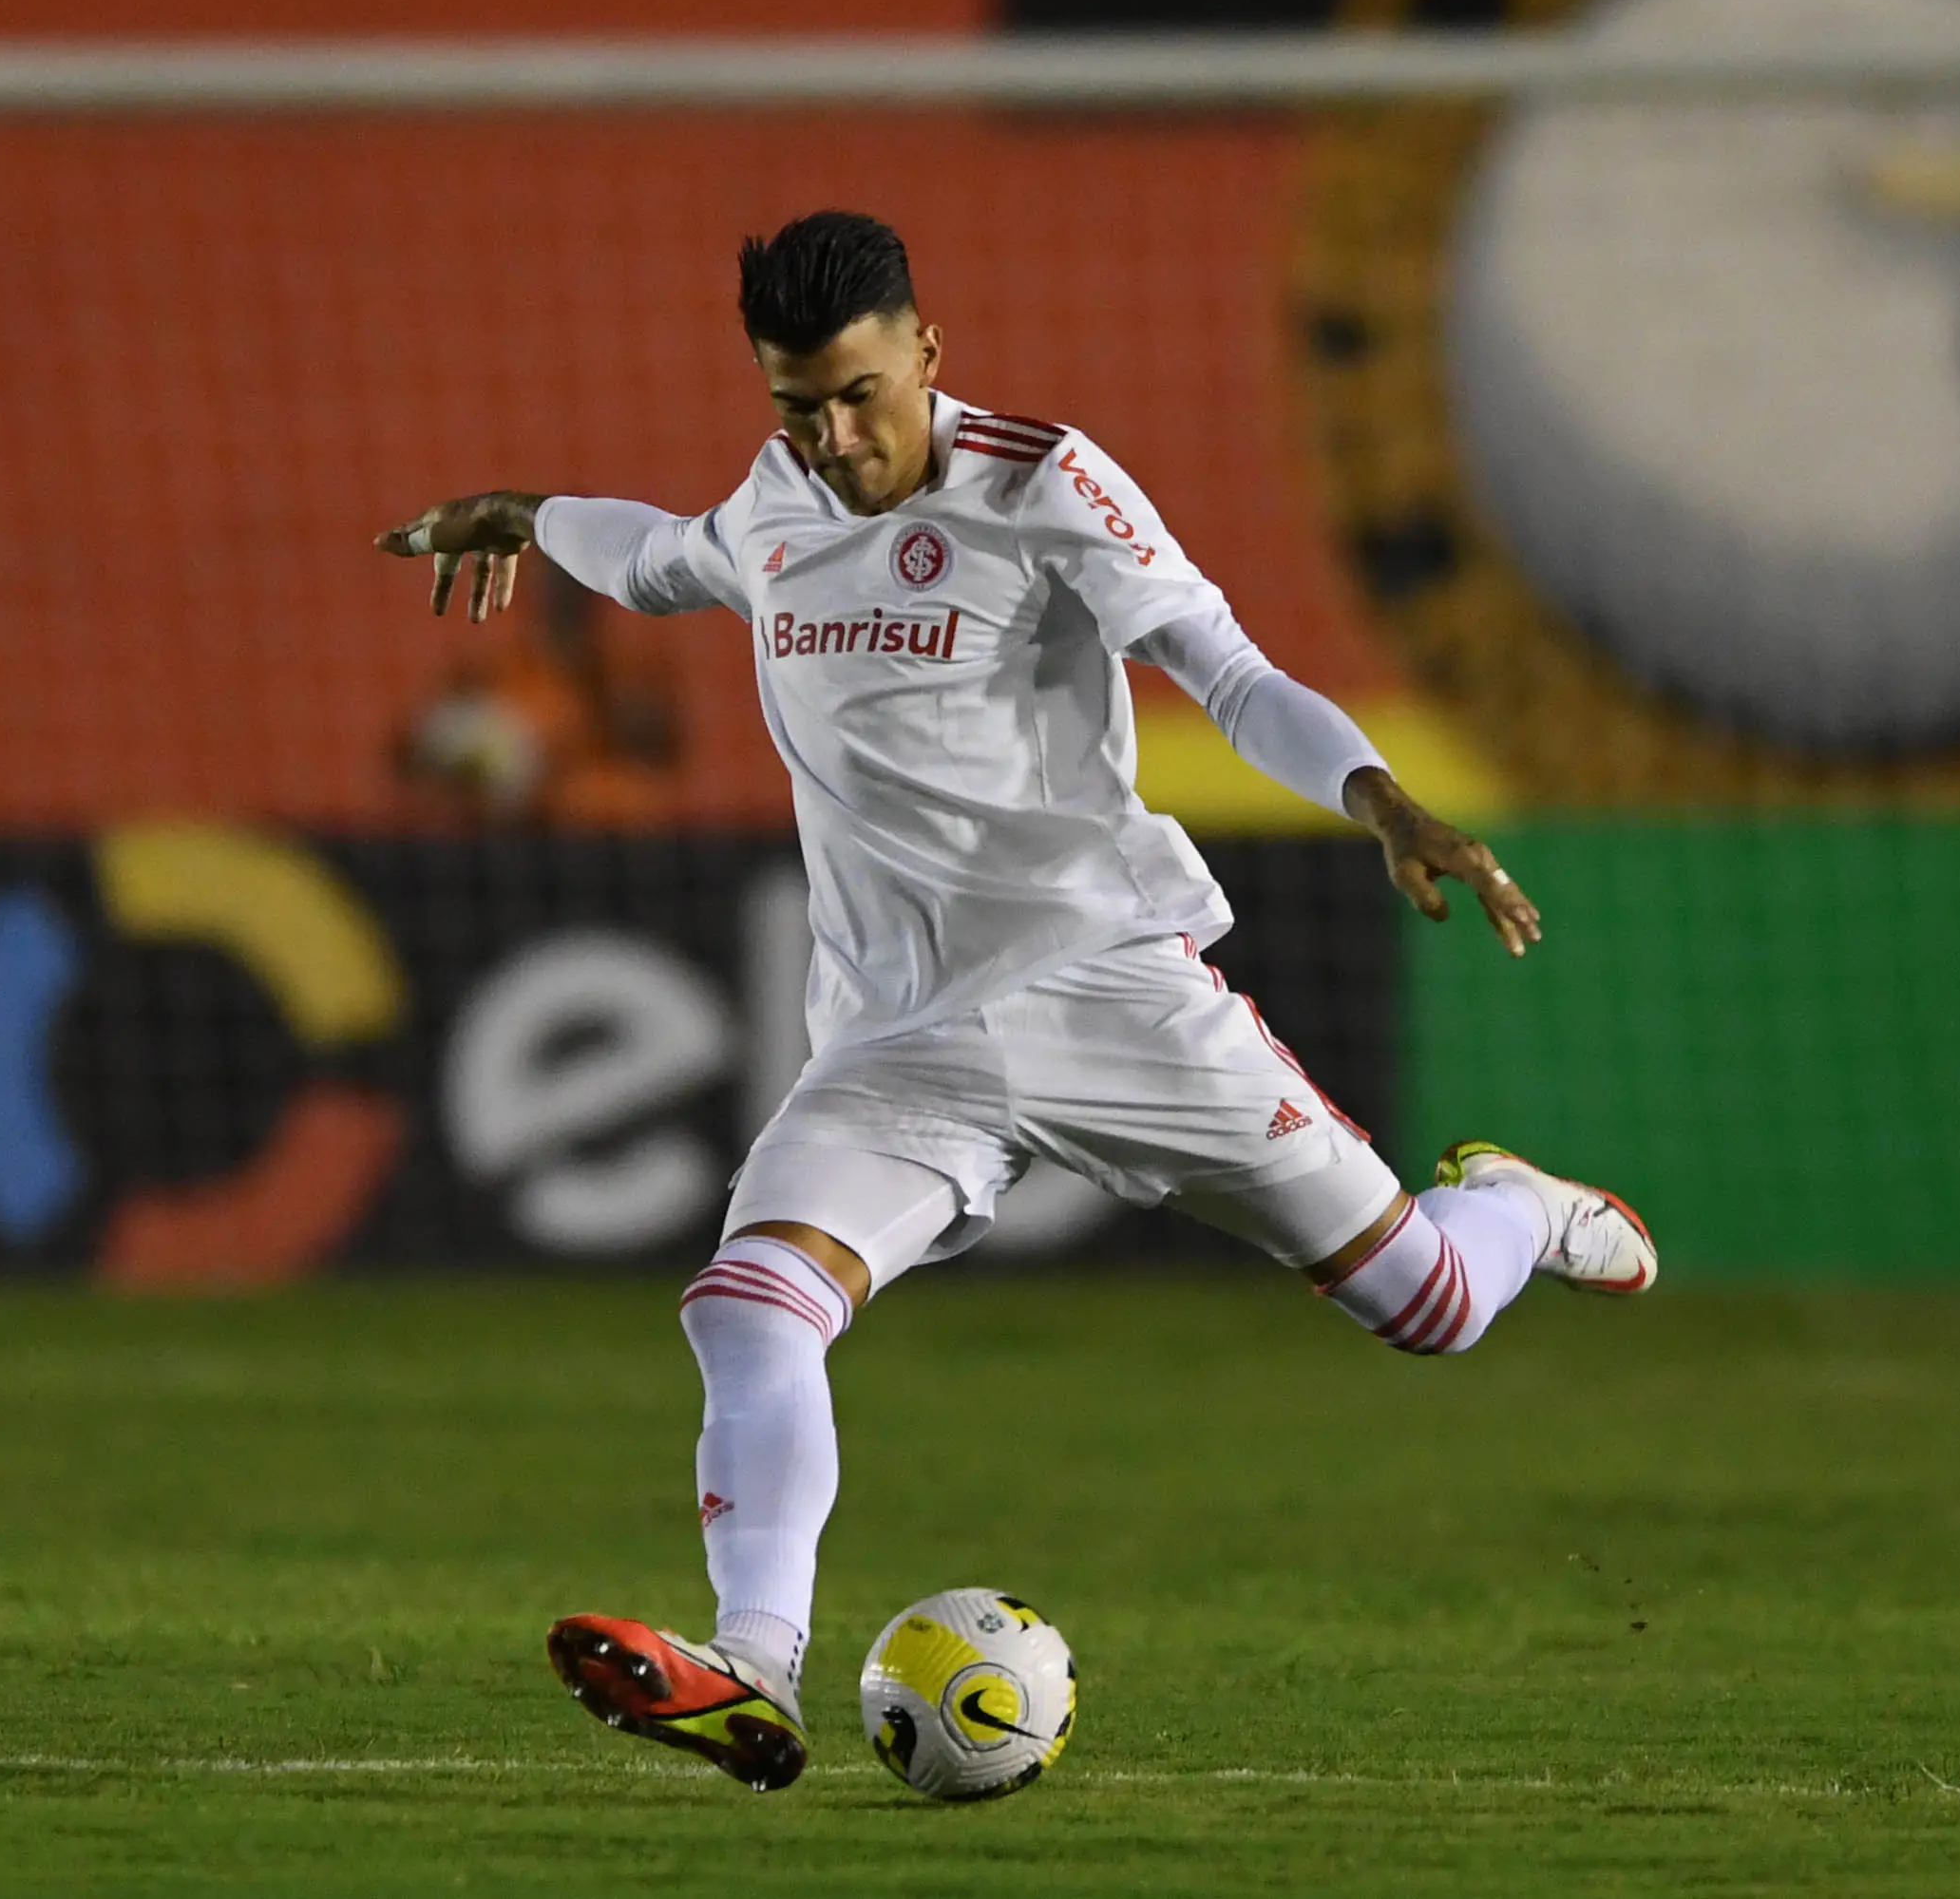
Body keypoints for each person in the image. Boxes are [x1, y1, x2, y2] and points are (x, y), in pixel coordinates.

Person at [375, 210, 1654, 1794]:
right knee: (748, 1306)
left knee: (1430, 1306)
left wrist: (1380, 799)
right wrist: (522, 511)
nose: (833, 441)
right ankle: (752, 1667)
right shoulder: (771, 507)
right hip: (898, 1045)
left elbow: (1226, 670)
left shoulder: (1044, 484)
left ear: (926, 353)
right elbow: (649, 558)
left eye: (859, 397)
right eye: (795, 406)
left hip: (1105, 992)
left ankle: (1516, 1206)